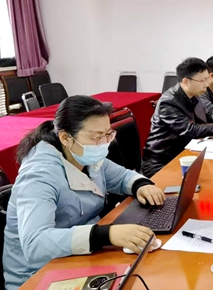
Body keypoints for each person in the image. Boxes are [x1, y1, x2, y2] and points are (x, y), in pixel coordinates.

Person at [3, 96, 166, 290]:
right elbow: (35, 243)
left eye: (107, 134)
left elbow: (122, 177)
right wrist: (106, 235)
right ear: (65, 138)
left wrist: (141, 185)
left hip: (78, 256)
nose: (104, 143)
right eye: (96, 137)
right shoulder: (39, 175)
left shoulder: (82, 154)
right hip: (37, 274)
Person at [142, 58, 213, 177]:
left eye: (207, 79)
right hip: (162, 162)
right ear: (186, 81)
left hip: (186, 154)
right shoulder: (168, 102)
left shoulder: (194, 95)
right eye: (202, 80)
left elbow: (209, 117)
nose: (206, 84)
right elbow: (190, 130)